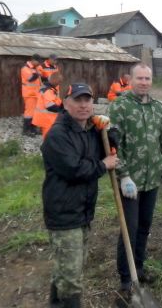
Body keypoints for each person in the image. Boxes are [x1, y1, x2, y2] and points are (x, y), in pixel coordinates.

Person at [41, 83, 119, 308]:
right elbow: (74, 169)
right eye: (78, 100)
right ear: (66, 104)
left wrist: (109, 131)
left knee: (65, 270)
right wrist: (104, 165)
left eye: (87, 100)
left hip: (82, 211)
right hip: (64, 214)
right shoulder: (58, 135)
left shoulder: (89, 130)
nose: (84, 105)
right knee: (72, 279)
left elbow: (110, 147)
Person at [108, 63, 162, 300]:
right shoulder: (120, 107)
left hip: (151, 179)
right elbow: (114, 145)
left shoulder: (158, 108)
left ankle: (139, 267)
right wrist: (123, 174)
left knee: (145, 226)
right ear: (131, 80)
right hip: (130, 181)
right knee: (130, 228)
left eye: (148, 78)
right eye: (140, 78)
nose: (144, 82)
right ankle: (126, 279)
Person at [32, 72, 63, 139]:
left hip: (46, 118)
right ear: (54, 80)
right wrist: (62, 109)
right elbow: (50, 106)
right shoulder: (48, 91)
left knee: (49, 137)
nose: (59, 84)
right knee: (48, 137)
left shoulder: (48, 88)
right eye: (59, 82)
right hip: (47, 119)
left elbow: (55, 100)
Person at [20, 54, 42, 135]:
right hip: (29, 94)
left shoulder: (35, 68)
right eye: (37, 62)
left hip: (35, 94)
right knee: (29, 113)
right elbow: (31, 79)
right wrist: (38, 73)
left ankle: (33, 129)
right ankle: (26, 130)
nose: (38, 63)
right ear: (33, 60)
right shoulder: (25, 69)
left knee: (35, 112)